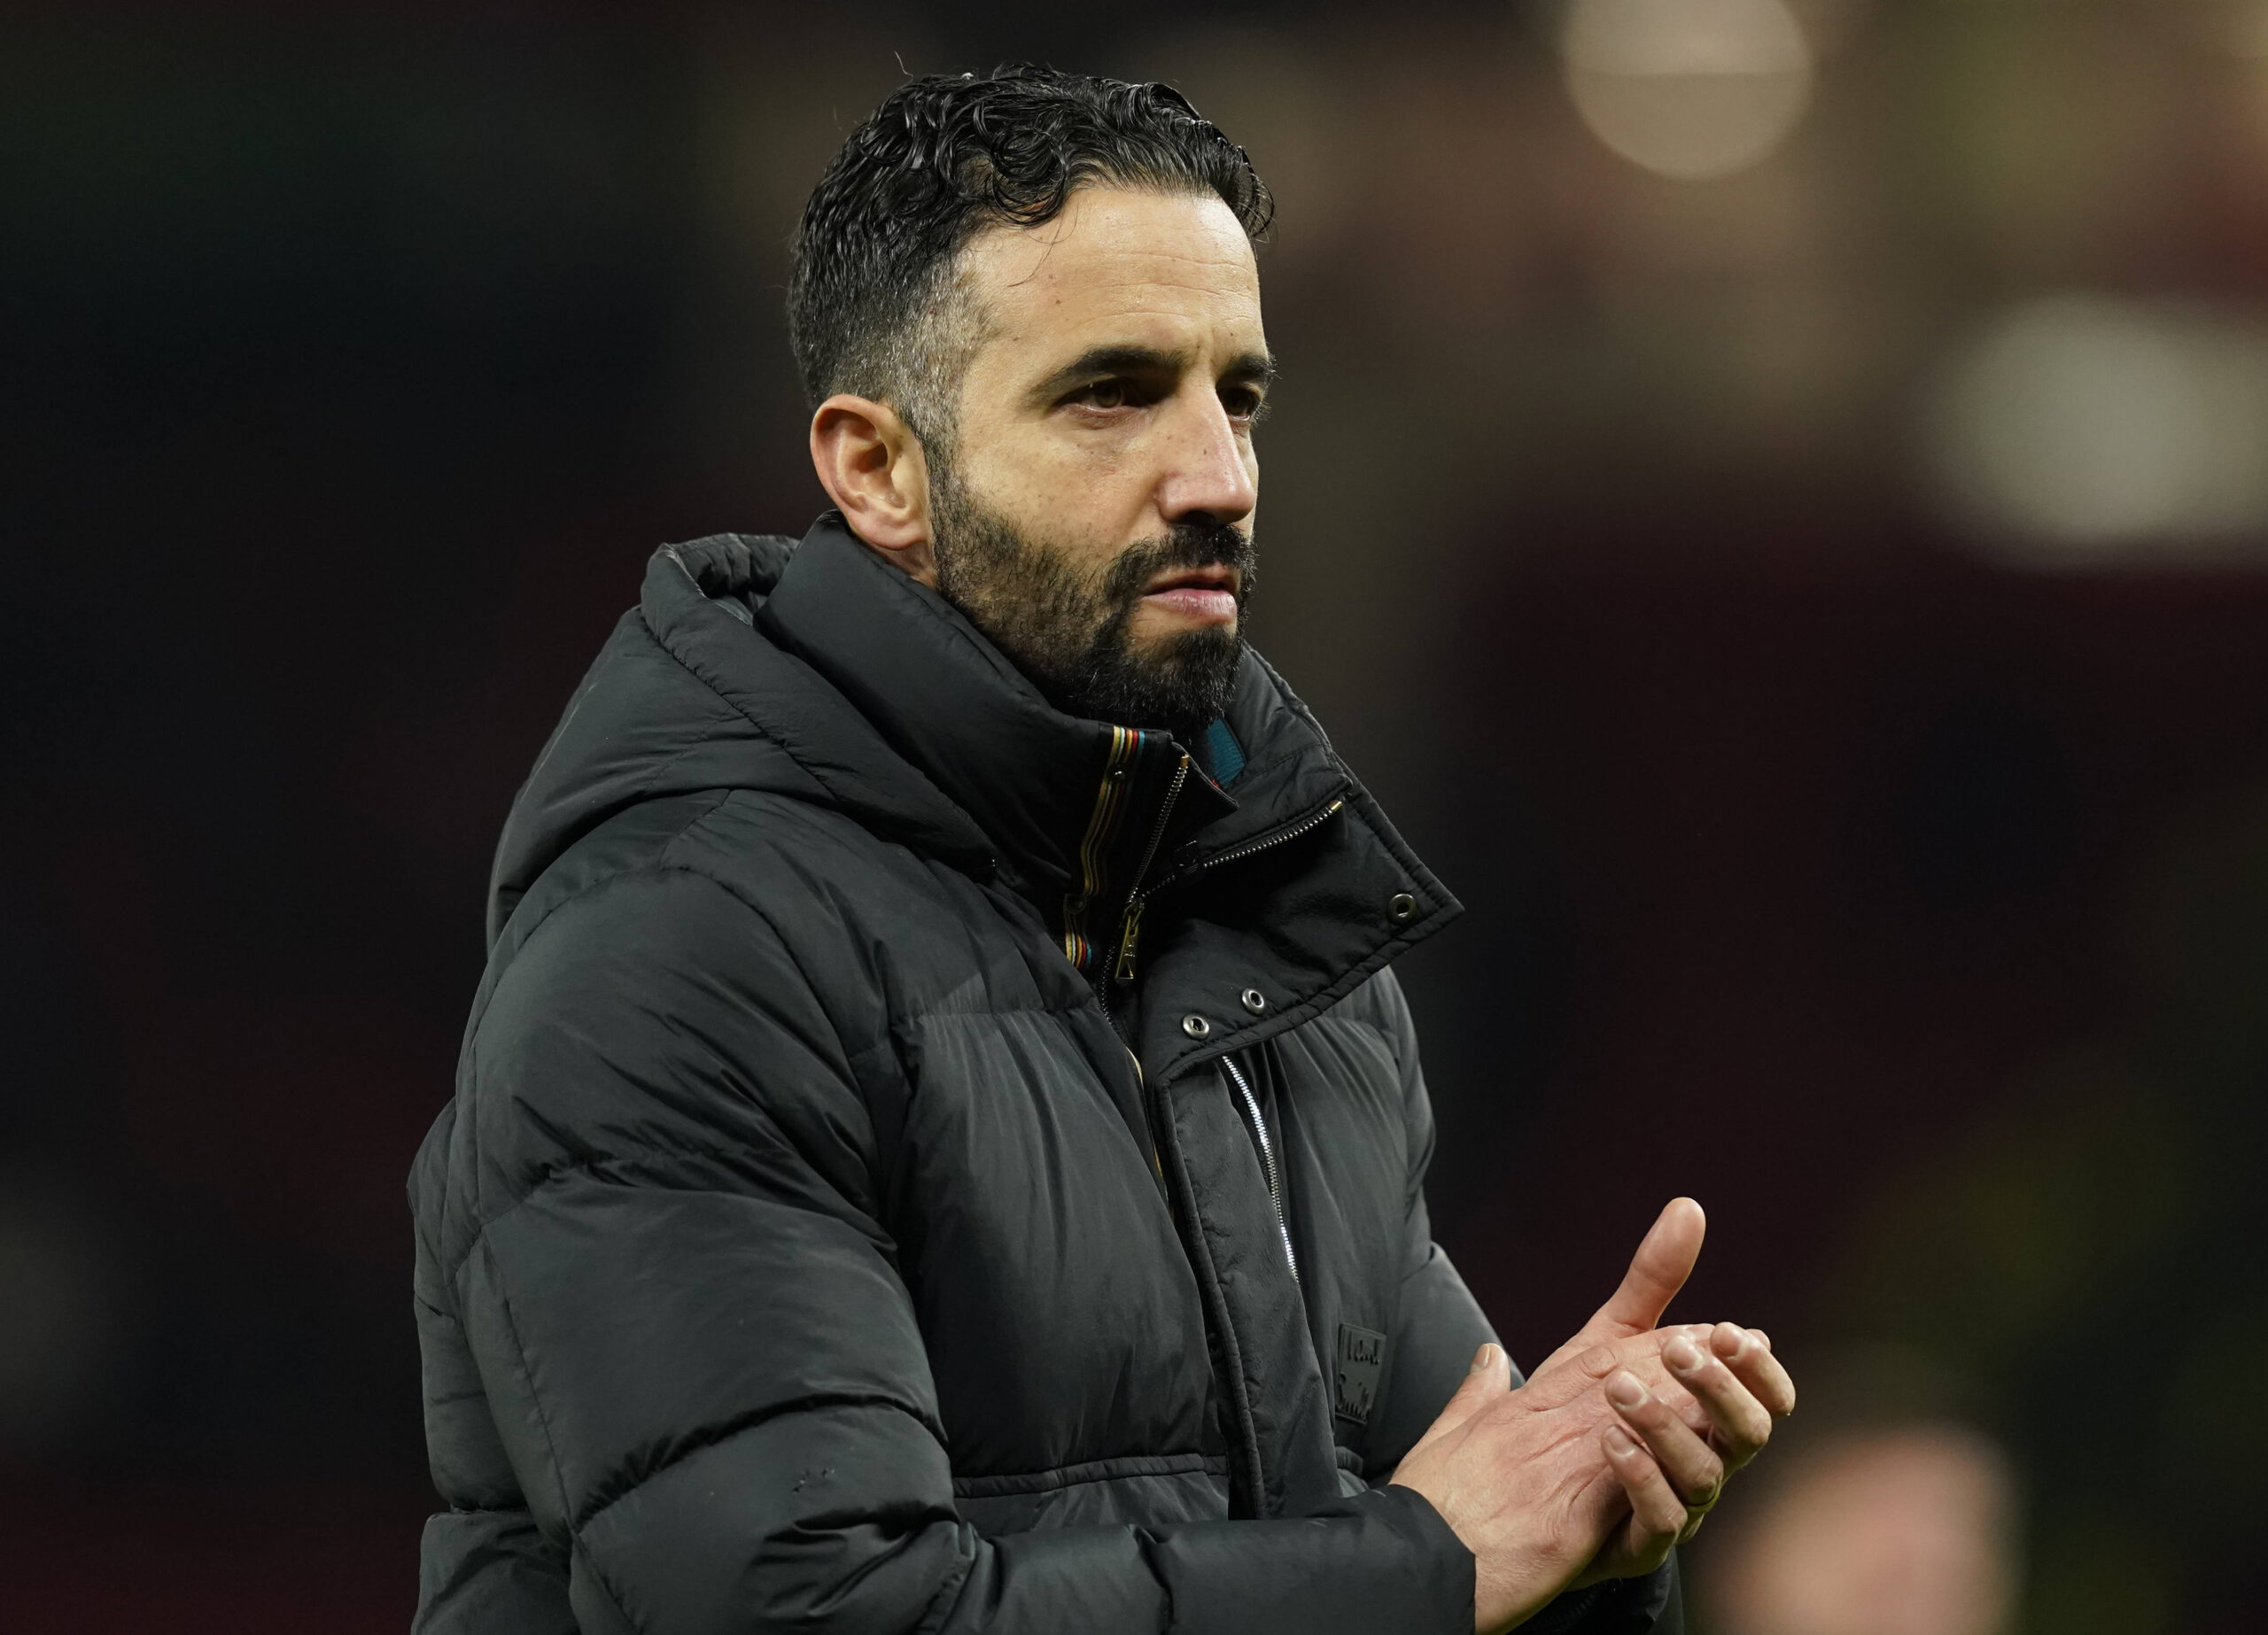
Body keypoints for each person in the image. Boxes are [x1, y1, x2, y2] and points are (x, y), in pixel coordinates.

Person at [408, 65, 1795, 1635]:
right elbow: (808, 1614)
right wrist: (1443, 1563)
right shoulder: (682, 955)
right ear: (878, 470)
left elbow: (1451, 1544)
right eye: (1113, 393)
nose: (1218, 475)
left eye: (1241, 394)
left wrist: (1591, 1526)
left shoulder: (1282, 945)